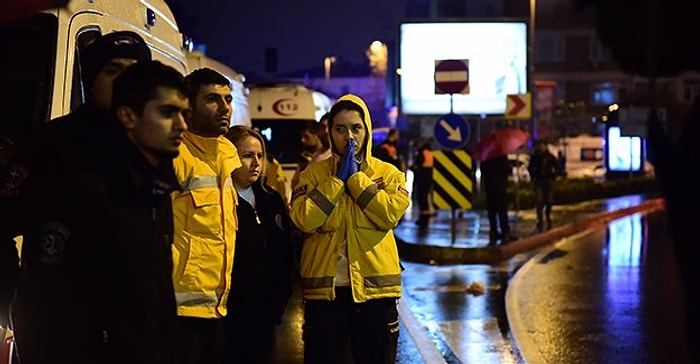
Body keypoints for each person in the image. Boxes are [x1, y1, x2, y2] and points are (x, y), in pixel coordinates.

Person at [11, 60, 189, 363]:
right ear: (128, 117)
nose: (182, 125)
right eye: (167, 113)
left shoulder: (155, 186)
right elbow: (55, 298)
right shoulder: (86, 186)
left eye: (184, 114)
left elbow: (152, 294)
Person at [0, 30, 152, 329]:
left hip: (130, 334)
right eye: (114, 70)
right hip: (60, 330)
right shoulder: (48, 143)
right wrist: (15, 302)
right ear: (91, 80)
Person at [289, 94, 410, 364]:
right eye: (340, 129)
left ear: (366, 130)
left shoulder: (389, 174)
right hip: (326, 294)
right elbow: (302, 220)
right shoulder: (312, 174)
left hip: (375, 295)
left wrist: (355, 179)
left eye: (356, 128)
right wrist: (335, 183)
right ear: (330, 132)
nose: (349, 137)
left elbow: (389, 215)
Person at [171, 68, 241, 364]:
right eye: (213, 99)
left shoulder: (226, 152)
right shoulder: (174, 154)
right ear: (188, 105)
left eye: (228, 99)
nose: (225, 108)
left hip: (217, 306)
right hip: (177, 312)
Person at [222, 126, 294, 364]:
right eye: (247, 155)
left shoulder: (270, 199)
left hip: (266, 314)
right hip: (231, 317)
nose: (256, 163)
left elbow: (285, 252)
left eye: (260, 155)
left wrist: (281, 298)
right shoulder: (221, 201)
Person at [290, 115, 332, 190]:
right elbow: (296, 183)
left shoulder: (336, 156)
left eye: (306, 136)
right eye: (323, 127)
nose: (326, 131)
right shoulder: (310, 157)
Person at [528, 139, 561, 231]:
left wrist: (553, 175)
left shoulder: (550, 157)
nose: (542, 147)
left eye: (544, 145)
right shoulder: (535, 157)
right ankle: (540, 219)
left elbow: (558, 167)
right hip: (539, 181)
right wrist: (534, 176)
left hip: (548, 180)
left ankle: (547, 216)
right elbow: (530, 168)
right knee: (539, 201)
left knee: (549, 201)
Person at [480, 155, 514, 241]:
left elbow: (483, 170)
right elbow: (506, 169)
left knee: (492, 210)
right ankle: (505, 231)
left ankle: (493, 231)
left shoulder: (486, 156)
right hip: (499, 185)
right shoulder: (501, 155)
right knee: (502, 209)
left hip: (489, 185)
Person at [411, 137, 434, 227]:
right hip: (428, 176)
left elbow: (418, 164)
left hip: (422, 177)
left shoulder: (422, 152)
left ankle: (423, 218)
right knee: (424, 197)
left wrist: (413, 167)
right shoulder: (429, 151)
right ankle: (425, 217)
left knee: (421, 198)